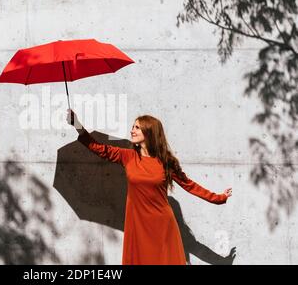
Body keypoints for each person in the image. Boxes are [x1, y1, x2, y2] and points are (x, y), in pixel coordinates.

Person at [66, 108, 232, 265]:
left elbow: (190, 185)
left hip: (162, 225)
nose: (132, 130)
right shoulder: (128, 156)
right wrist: (78, 125)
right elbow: (99, 148)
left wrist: (219, 198)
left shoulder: (166, 162)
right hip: (137, 226)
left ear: (149, 132)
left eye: (137, 127)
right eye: (133, 126)